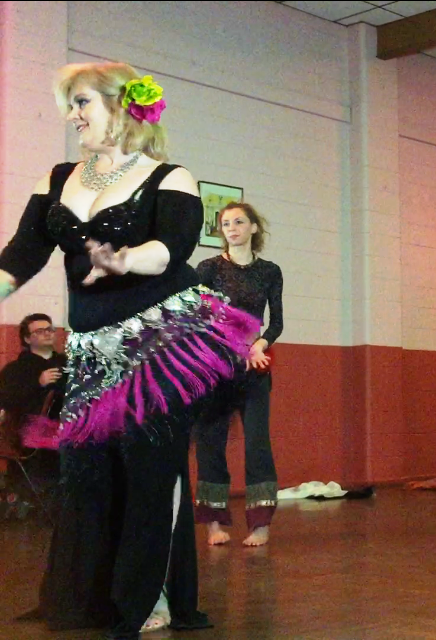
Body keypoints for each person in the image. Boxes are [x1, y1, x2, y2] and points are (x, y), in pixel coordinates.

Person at [0, 62, 259, 639]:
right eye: (71, 105)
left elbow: (171, 248)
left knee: (149, 472)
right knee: (85, 472)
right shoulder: (59, 177)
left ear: (122, 108)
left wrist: (123, 258)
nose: (72, 116)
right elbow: (20, 255)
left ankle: (150, 598)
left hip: (159, 342)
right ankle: (87, 597)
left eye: (83, 103)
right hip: (91, 346)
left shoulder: (172, 177)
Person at [194, 202, 283, 547]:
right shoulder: (208, 268)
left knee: (258, 443)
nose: (231, 228)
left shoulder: (270, 271)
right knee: (210, 443)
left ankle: (260, 523)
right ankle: (215, 523)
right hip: (215, 368)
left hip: (254, 368)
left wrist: (259, 344)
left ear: (253, 228)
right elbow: (199, 319)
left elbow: (275, 321)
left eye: (238, 222)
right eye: (226, 223)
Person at [0, 313, 67, 512]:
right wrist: (38, 384)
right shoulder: (16, 369)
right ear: (27, 339)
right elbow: (8, 401)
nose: (47, 334)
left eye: (50, 329)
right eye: (40, 331)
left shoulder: (66, 364)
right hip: (29, 430)